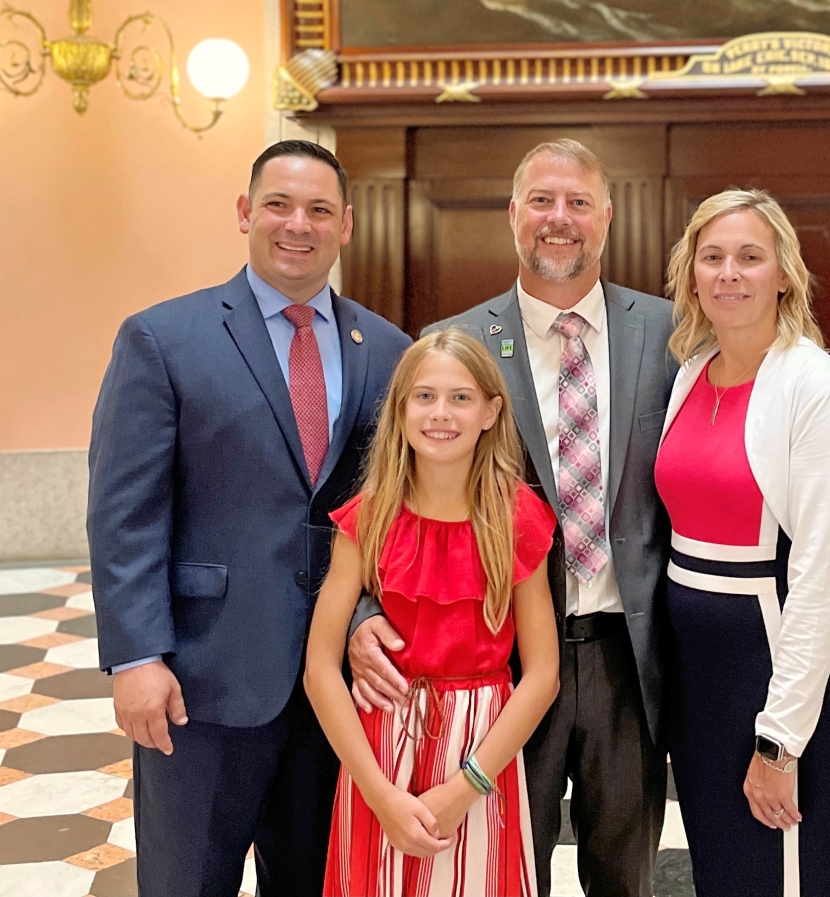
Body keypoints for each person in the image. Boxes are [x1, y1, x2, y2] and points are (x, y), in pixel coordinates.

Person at [347, 139, 674, 897]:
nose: (559, 219)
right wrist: (367, 606)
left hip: (630, 653)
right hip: (497, 666)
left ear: (607, 217)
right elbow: (389, 491)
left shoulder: (667, 331)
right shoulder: (454, 342)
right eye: (541, 201)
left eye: (578, 202)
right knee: (494, 870)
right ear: (512, 215)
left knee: (625, 874)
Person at [87, 140, 413, 896]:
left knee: (316, 881)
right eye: (278, 204)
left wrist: (366, 610)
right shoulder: (163, 339)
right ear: (245, 213)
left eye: (319, 210)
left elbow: (390, 515)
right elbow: (124, 513)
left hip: (336, 689)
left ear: (346, 225)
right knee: (187, 881)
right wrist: (136, 656)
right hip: (203, 679)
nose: (297, 224)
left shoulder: (389, 352)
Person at [656, 189, 830, 896]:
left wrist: (780, 741)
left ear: (784, 272)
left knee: (783, 878)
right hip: (698, 678)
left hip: (773, 664)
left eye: (750, 257)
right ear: (691, 273)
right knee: (724, 874)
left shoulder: (818, 388)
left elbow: (817, 580)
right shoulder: (691, 371)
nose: (729, 272)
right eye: (711, 256)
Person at [304, 328, 561, 895]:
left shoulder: (517, 518)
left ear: (492, 411)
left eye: (461, 397)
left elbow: (542, 675)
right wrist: (379, 795)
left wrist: (465, 786)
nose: (440, 413)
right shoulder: (368, 518)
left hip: (481, 752)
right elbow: (320, 668)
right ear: (400, 409)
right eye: (424, 396)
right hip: (379, 751)